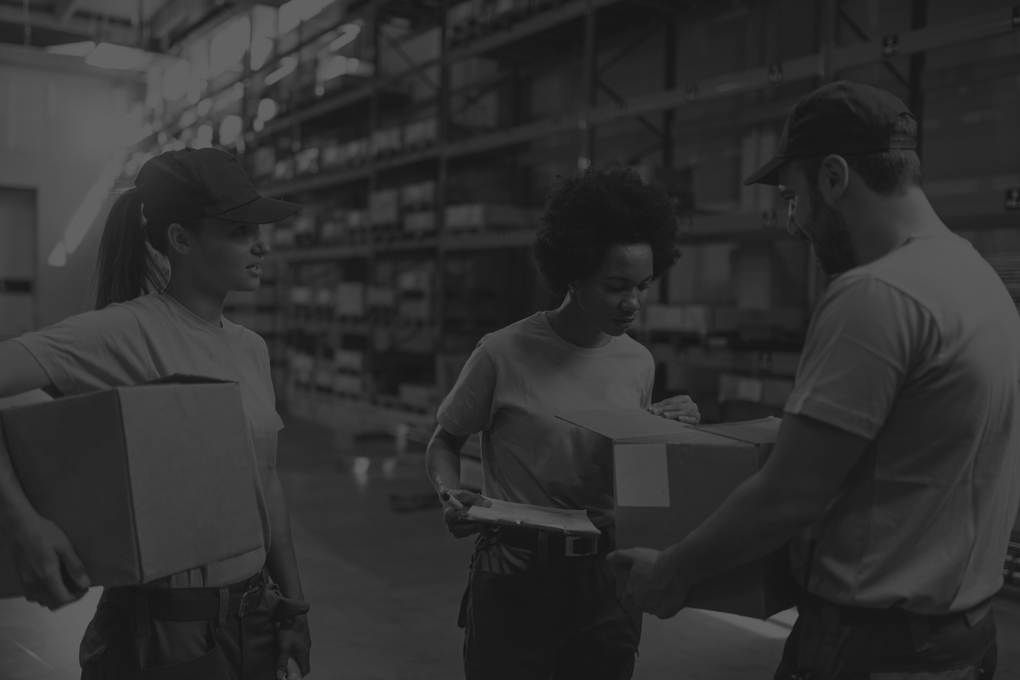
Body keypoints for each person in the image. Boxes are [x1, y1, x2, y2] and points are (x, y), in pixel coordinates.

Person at [609, 80, 1020, 680]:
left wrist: (672, 572)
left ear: (834, 177)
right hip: (962, 637)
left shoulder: (875, 294)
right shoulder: (981, 282)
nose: (793, 222)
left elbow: (789, 495)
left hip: (876, 647)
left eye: (792, 196)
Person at [0, 148, 312, 680]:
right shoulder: (124, 332)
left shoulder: (250, 347)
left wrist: (294, 608)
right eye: (239, 231)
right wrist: (24, 524)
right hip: (163, 636)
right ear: (181, 239)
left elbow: (267, 480)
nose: (262, 245)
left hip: (254, 620)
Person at [425, 166, 702, 680]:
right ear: (573, 273)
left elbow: (636, 475)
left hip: (607, 578)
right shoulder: (503, 352)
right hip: (516, 572)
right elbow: (444, 441)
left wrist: (676, 432)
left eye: (643, 285)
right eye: (616, 285)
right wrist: (449, 495)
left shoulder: (638, 362)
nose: (633, 303)